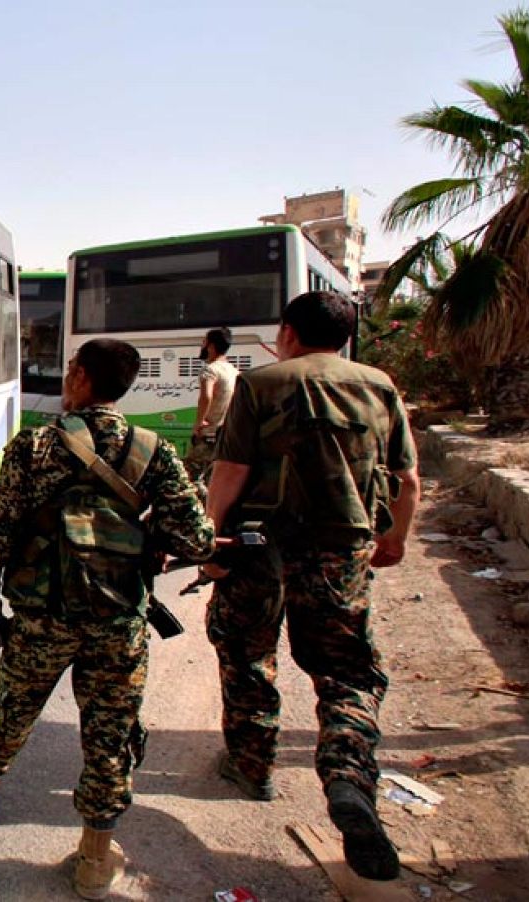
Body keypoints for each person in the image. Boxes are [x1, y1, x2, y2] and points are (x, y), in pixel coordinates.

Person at [0, 338, 214, 900]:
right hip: (119, 619)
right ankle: (94, 857)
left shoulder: (34, 446)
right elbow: (198, 539)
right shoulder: (155, 451)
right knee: (111, 733)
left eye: (69, 371)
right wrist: (144, 532)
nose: (65, 379)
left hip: (44, 615)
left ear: (82, 377)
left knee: (11, 705)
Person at [201, 291, 419, 882]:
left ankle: (252, 766)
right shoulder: (379, 385)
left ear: (290, 332)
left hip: (258, 546)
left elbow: (231, 471)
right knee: (346, 670)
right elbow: (406, 477)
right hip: (341, 550)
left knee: (247, 651)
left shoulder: (261, 383)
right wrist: (395, 538)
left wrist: (209, 540)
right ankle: (348, 780)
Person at [184, 326, 238, 488]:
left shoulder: (210, 370)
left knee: (188, 479)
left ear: (211, 346)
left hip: (208, 434)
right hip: (225, 434)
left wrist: (199, 423)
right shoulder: (233, 371)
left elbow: (206, 396)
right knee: (213, 479)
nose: (202, 347)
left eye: (204, 343)